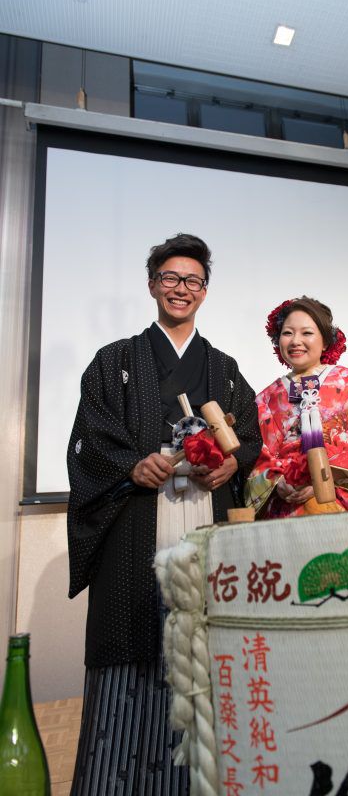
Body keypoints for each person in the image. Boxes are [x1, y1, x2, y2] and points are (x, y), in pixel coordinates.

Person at [67, 233, 261, 794]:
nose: (181, 288)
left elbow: (250, 437)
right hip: (137, 518)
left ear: (205, 291)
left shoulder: (224, 368)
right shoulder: (115, 361)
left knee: (207, 647)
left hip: (205, 513)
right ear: (153, 285)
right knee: (133, 642)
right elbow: (88, 439)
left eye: (192, 280)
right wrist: (132, 465)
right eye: (171, 278)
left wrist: (233, 463)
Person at [245, 296, 348, 518]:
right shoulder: (267, 398)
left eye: (307, 333)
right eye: (287, 333)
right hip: (290, 504)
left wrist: (330, 475)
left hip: (345, 496)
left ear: (326, 341)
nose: (295, 341)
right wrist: (277, 480)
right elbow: (255, 451)